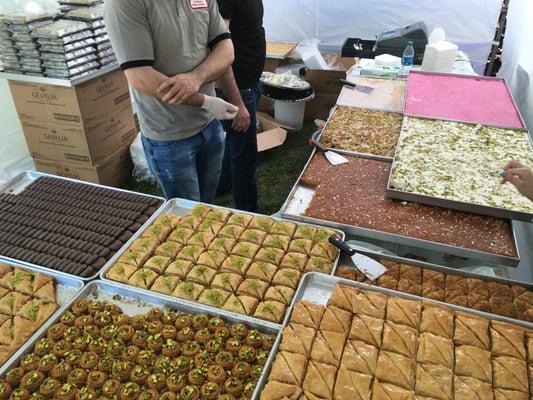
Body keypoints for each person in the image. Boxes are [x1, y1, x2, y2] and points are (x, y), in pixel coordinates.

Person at [104, 0, 239, 202]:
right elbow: (140, 76)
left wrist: (196, 78)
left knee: (207, 206)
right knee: (186, 216)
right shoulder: (124, 3)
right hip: (168, 136)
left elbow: (226, 48)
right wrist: (205, 102)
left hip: (209, 125)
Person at [215, 0, 266, 212]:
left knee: (234, 143)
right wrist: (237, 101)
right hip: (237, 88)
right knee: (245, 154)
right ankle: (247, 211)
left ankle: (222, 184)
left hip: (249, 83)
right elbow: (217, 49)